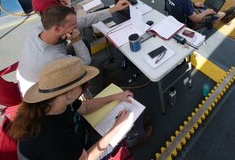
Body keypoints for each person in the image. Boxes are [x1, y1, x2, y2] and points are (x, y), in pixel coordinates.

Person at [9, 57, 151, 160]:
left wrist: (115, 96)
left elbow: (86, 107)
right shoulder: (53, 136)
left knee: (132, 113)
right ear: (68, 93)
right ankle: (132, 141)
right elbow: (86, 158)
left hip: (81, 139)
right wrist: (116, 128)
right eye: (83, 85)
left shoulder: (55, 101)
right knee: (134, 124)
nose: (86, 87)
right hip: (82, 152)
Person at [16, 0, 130, 96]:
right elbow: (86, 61)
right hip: (43, 90)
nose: (76, 28)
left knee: (83, 41)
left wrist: (114, 9)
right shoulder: (51, 58)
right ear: (57, 29)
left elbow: (84, 20)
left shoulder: (40, 30)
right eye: (73, 26)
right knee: (95, 65)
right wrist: (76, 40)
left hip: (38, 71)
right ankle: (93, 94)